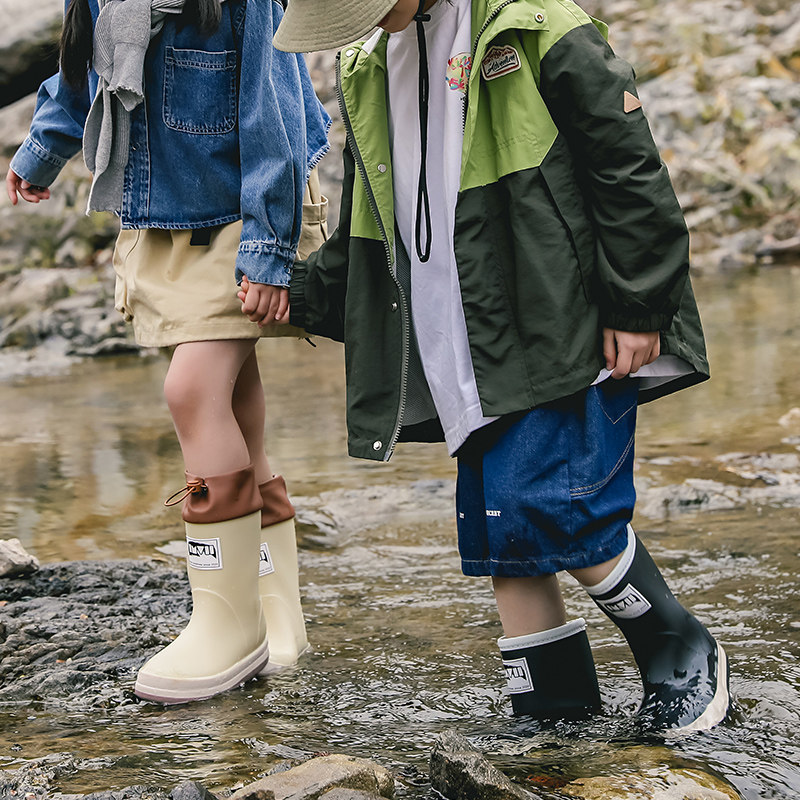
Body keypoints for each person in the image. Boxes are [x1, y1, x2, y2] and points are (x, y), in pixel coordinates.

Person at [270, 0, 730, 730]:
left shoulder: (535, 27)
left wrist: (640, 306)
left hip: (557, 322)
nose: (357, 26)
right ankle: (553, 714)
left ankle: (676, 641)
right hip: (461, 343)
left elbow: (629, 168)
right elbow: (367, 215)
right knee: (500, 536)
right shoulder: (368, 60)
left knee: (555, 505)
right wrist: (295, 297)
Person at [6, 0, 330, 703]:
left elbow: (273, 114)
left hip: (247, 210)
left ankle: (226, 624)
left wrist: (268, 253)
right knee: (236, 407)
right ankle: (278, 616)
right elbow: (79, 72)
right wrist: (43, 152)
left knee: (192, 392)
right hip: (165, 213)